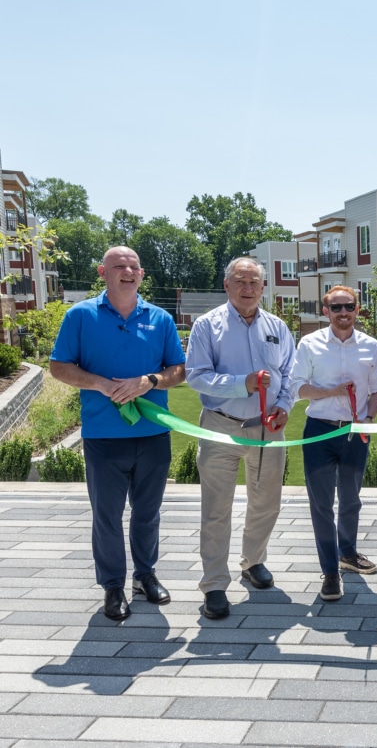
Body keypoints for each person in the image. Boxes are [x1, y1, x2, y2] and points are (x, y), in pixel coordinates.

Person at [50, 246, 185, 621]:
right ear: (102, 272)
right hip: (104, 436)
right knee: (106, 516)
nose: (127, 271)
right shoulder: (80, 315)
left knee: (148, 512)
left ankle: (145, 576)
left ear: (141, 274)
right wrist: (99, 384)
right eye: (119, 266)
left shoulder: (160, 318)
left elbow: (179, 370)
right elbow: (59, 366)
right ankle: (112, 585)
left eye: (133, 266)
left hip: (154, 432)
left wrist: (149, 380)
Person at [186, 257, 295, 620]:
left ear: (264, 288)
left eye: (254, 282)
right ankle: (215, 584)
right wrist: (241, 383)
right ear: (226, 284)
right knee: (216, 510)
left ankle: (253, 561)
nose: (248, 288)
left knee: (266, 503)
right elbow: (197, 376)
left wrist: (284, 406)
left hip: (268, 428)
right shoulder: (207, 326)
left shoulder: (278, 326)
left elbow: (290, 374)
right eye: (240, 281)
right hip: (220, 425)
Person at [290, 286, 377, 602]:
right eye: (336, 307)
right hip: (319, 431)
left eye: (349, 306)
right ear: (325, 310)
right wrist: (332, 391)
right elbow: (299, 389)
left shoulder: (371, 347)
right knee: (321, 504)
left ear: (358, 309)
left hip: (356, 432)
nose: (343, 312)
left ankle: (348, 552)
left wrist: (369, 420)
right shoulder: (309, 344)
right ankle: (330, 572)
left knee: (351, 498)